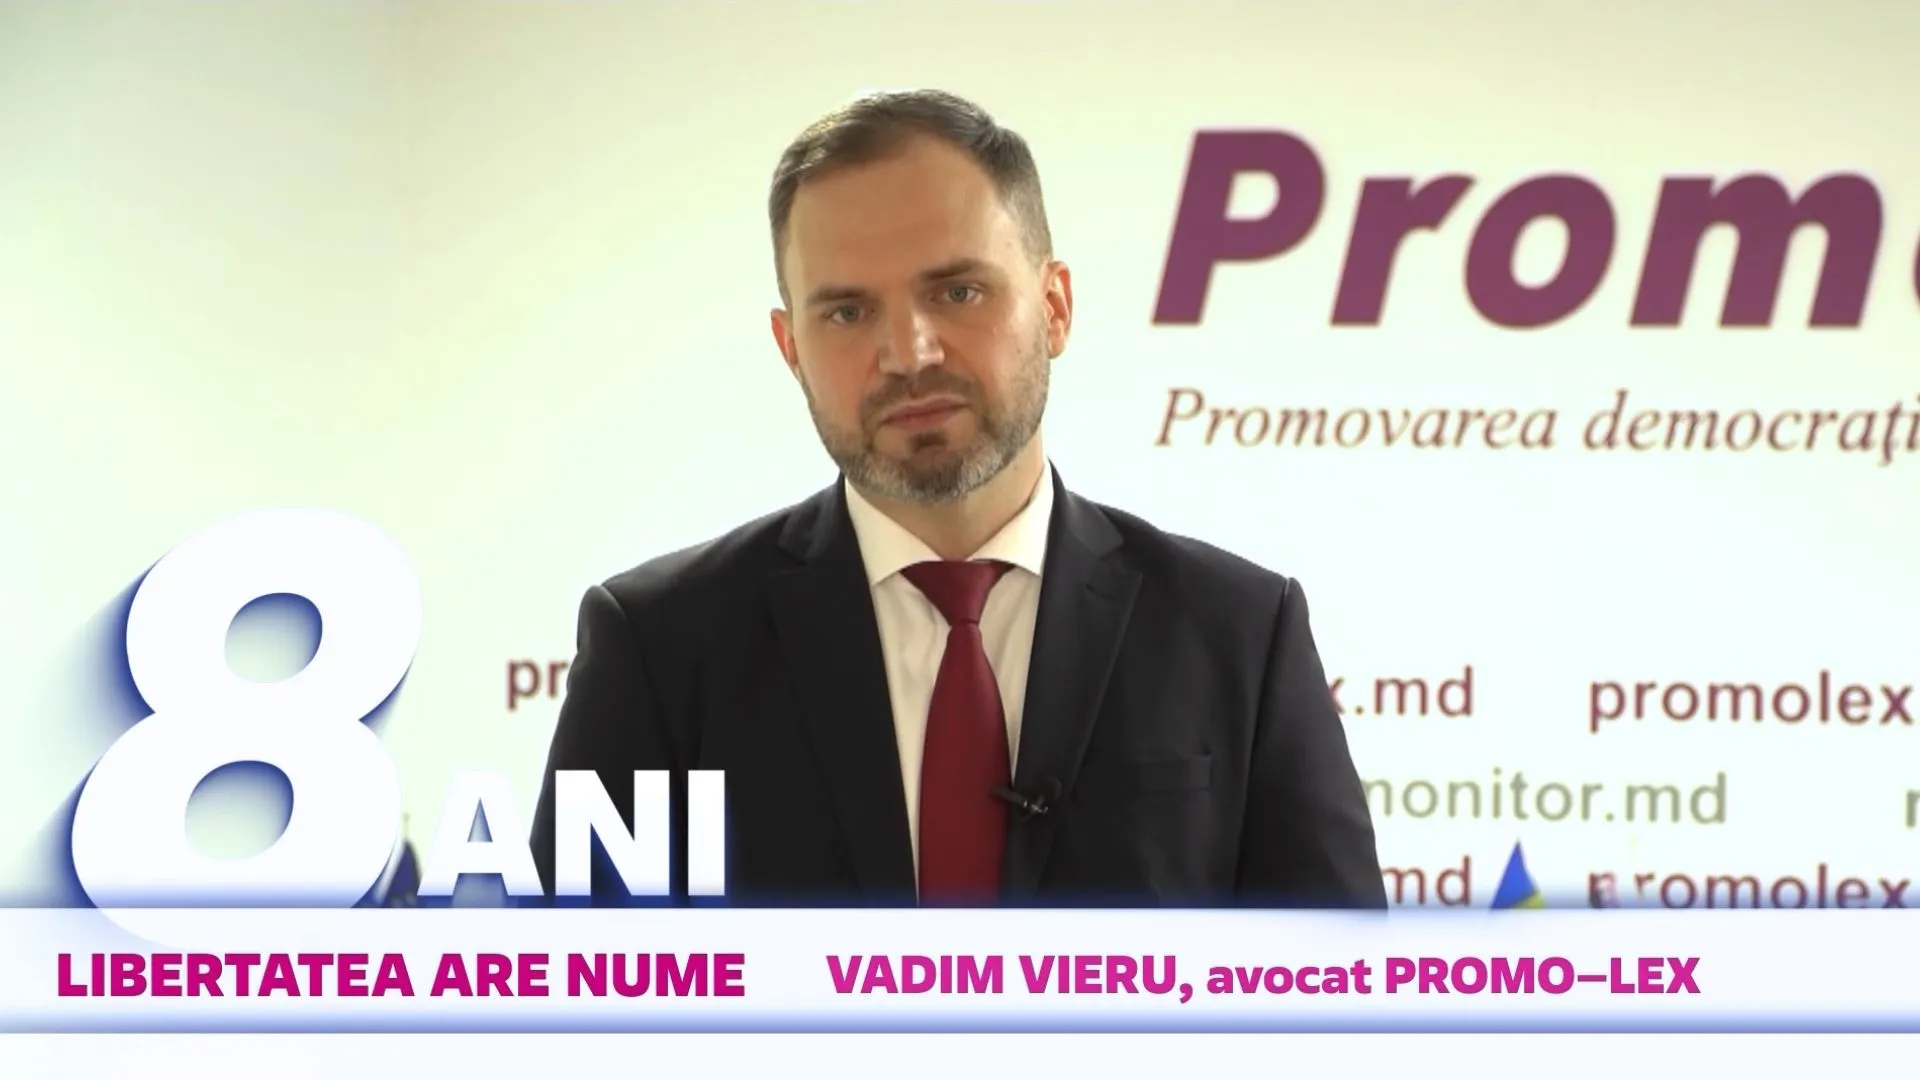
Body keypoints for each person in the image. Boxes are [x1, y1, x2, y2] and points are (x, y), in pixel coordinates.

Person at [530, 89, 1386, 909]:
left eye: (957, 292)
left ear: (1054, 306)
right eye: (847, 312)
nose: (909, 353)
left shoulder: (1240, 633)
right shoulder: (661, 648)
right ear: (791, 349)